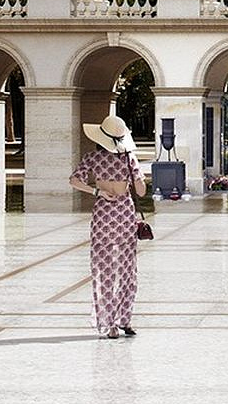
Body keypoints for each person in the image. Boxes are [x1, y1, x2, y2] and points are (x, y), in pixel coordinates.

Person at [69, 114, 147, 339]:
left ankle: (109, 324)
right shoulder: (128, 158)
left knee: (103, 269)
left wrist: (97, 191)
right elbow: (141, 191)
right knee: (126, 269)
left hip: (103, 214)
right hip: (124, 215)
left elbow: (74, 180)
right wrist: (136, 175)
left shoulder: (92, 158)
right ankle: (125, 318)